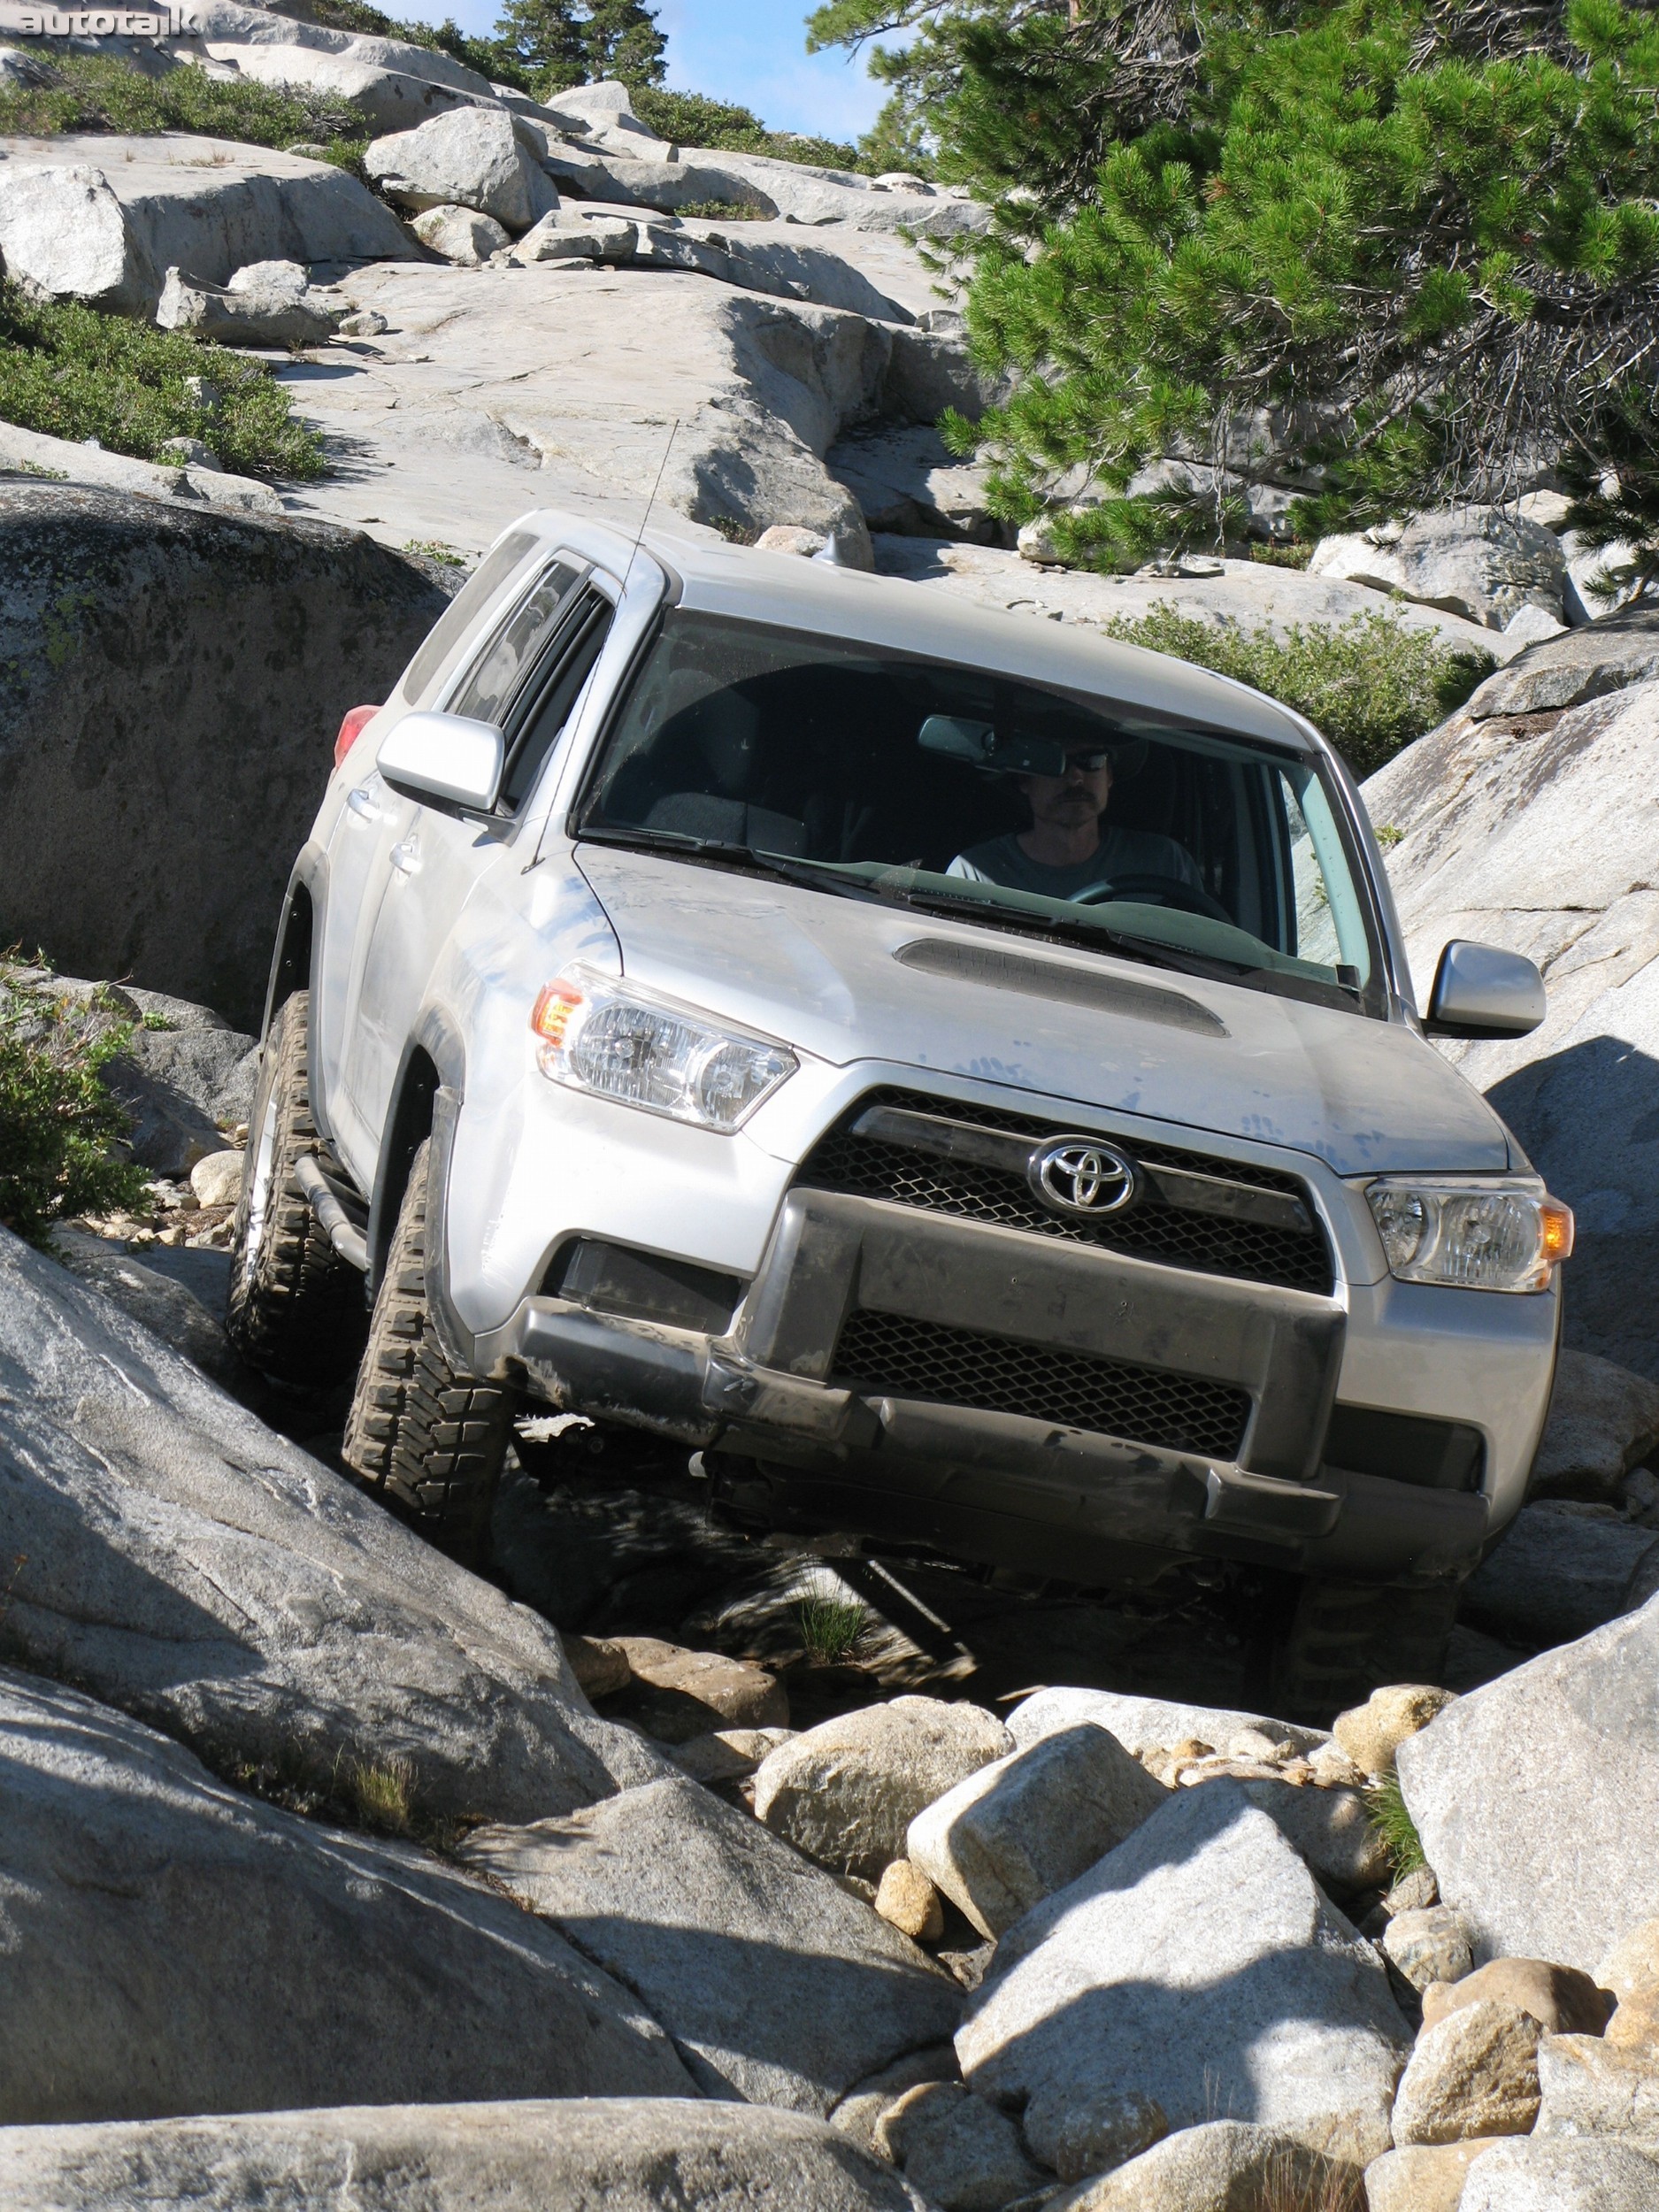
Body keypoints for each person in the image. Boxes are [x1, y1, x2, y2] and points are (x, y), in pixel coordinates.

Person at [948, 739, 1201, 902]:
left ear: (1109, 777)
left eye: (1092, 761)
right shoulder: (975, 874)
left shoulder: (1165, 864)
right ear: (1024, 780)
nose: (1076, 778)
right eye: (1055, 763)